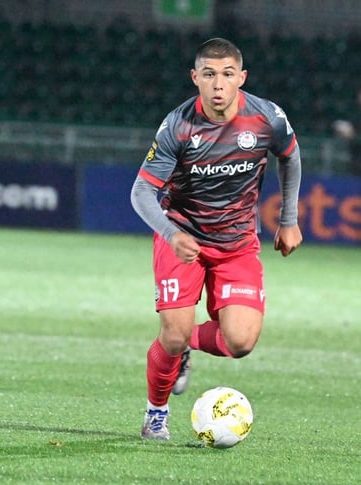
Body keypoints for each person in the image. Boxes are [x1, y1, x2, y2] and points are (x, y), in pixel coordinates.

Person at [130, 37, 303, 441]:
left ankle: (182, 342)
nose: (218, 84)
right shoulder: (179, 125)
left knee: (240, 342)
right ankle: (156, 413)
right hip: (183, 238)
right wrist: (171, 234)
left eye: (227, 75)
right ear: (196, 79)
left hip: (237, 243)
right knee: (171, 335)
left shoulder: (267, 117)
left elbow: (290, 155)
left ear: (241, 78)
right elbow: (141, 191)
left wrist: (289, 218)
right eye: (209, 75)